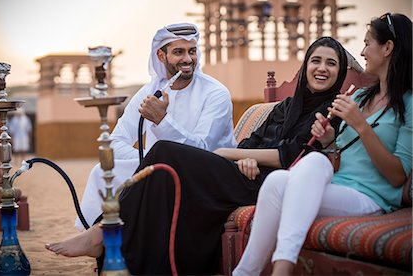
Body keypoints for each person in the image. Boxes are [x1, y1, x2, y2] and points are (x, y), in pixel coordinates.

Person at [46, 36, 350, 274]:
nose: (322, 68)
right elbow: (252, 143)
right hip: (242, 173)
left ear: (340, 73)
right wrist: (244, 156)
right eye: (316, 60)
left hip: (268, 185)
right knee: (163, 172)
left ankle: (103, 234)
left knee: (164, 152)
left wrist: (230, 154)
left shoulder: (331, 111)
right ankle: (123, 251)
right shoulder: (285, 107)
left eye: (331, 64)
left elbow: (293, 155)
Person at [234, 13, 412, 276]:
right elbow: (336, 158)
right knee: (277, 181)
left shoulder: (408, 103)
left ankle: (282, 269)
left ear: (387, 48)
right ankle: (244, 273)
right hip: (338, 185)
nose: (362, 51)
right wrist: (329, 140)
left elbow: (398, 177)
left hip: (371, 196)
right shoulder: (360, 97)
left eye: (367, 43)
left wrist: (360, 125)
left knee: (308, 165)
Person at [76, 22, 236, 230]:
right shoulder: (150, 92)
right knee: (103, 171)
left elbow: (203, 150)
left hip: (205, 174)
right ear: (161, 56)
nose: (188, 59)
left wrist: (162, 121)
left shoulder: (215, 93)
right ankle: (104, 241)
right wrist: (150, 161)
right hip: (161, 169)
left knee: (156, 175)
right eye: (179, 52)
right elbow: (116, 141)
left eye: (192, 51)